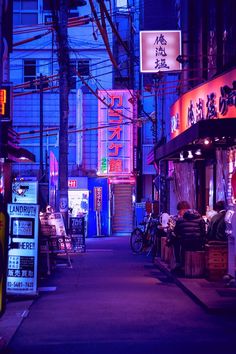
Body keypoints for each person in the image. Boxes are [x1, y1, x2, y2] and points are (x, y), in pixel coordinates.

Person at [168, 201, 206, 271]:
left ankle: (179, 263)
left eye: (179, 210)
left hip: (185, 244)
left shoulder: (180, 220)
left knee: (176, 242)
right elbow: (203, 233)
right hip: (198, 244)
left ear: (183, 210)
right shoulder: (201, 219)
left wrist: (170, 241)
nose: (178, 212)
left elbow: (176, 233)